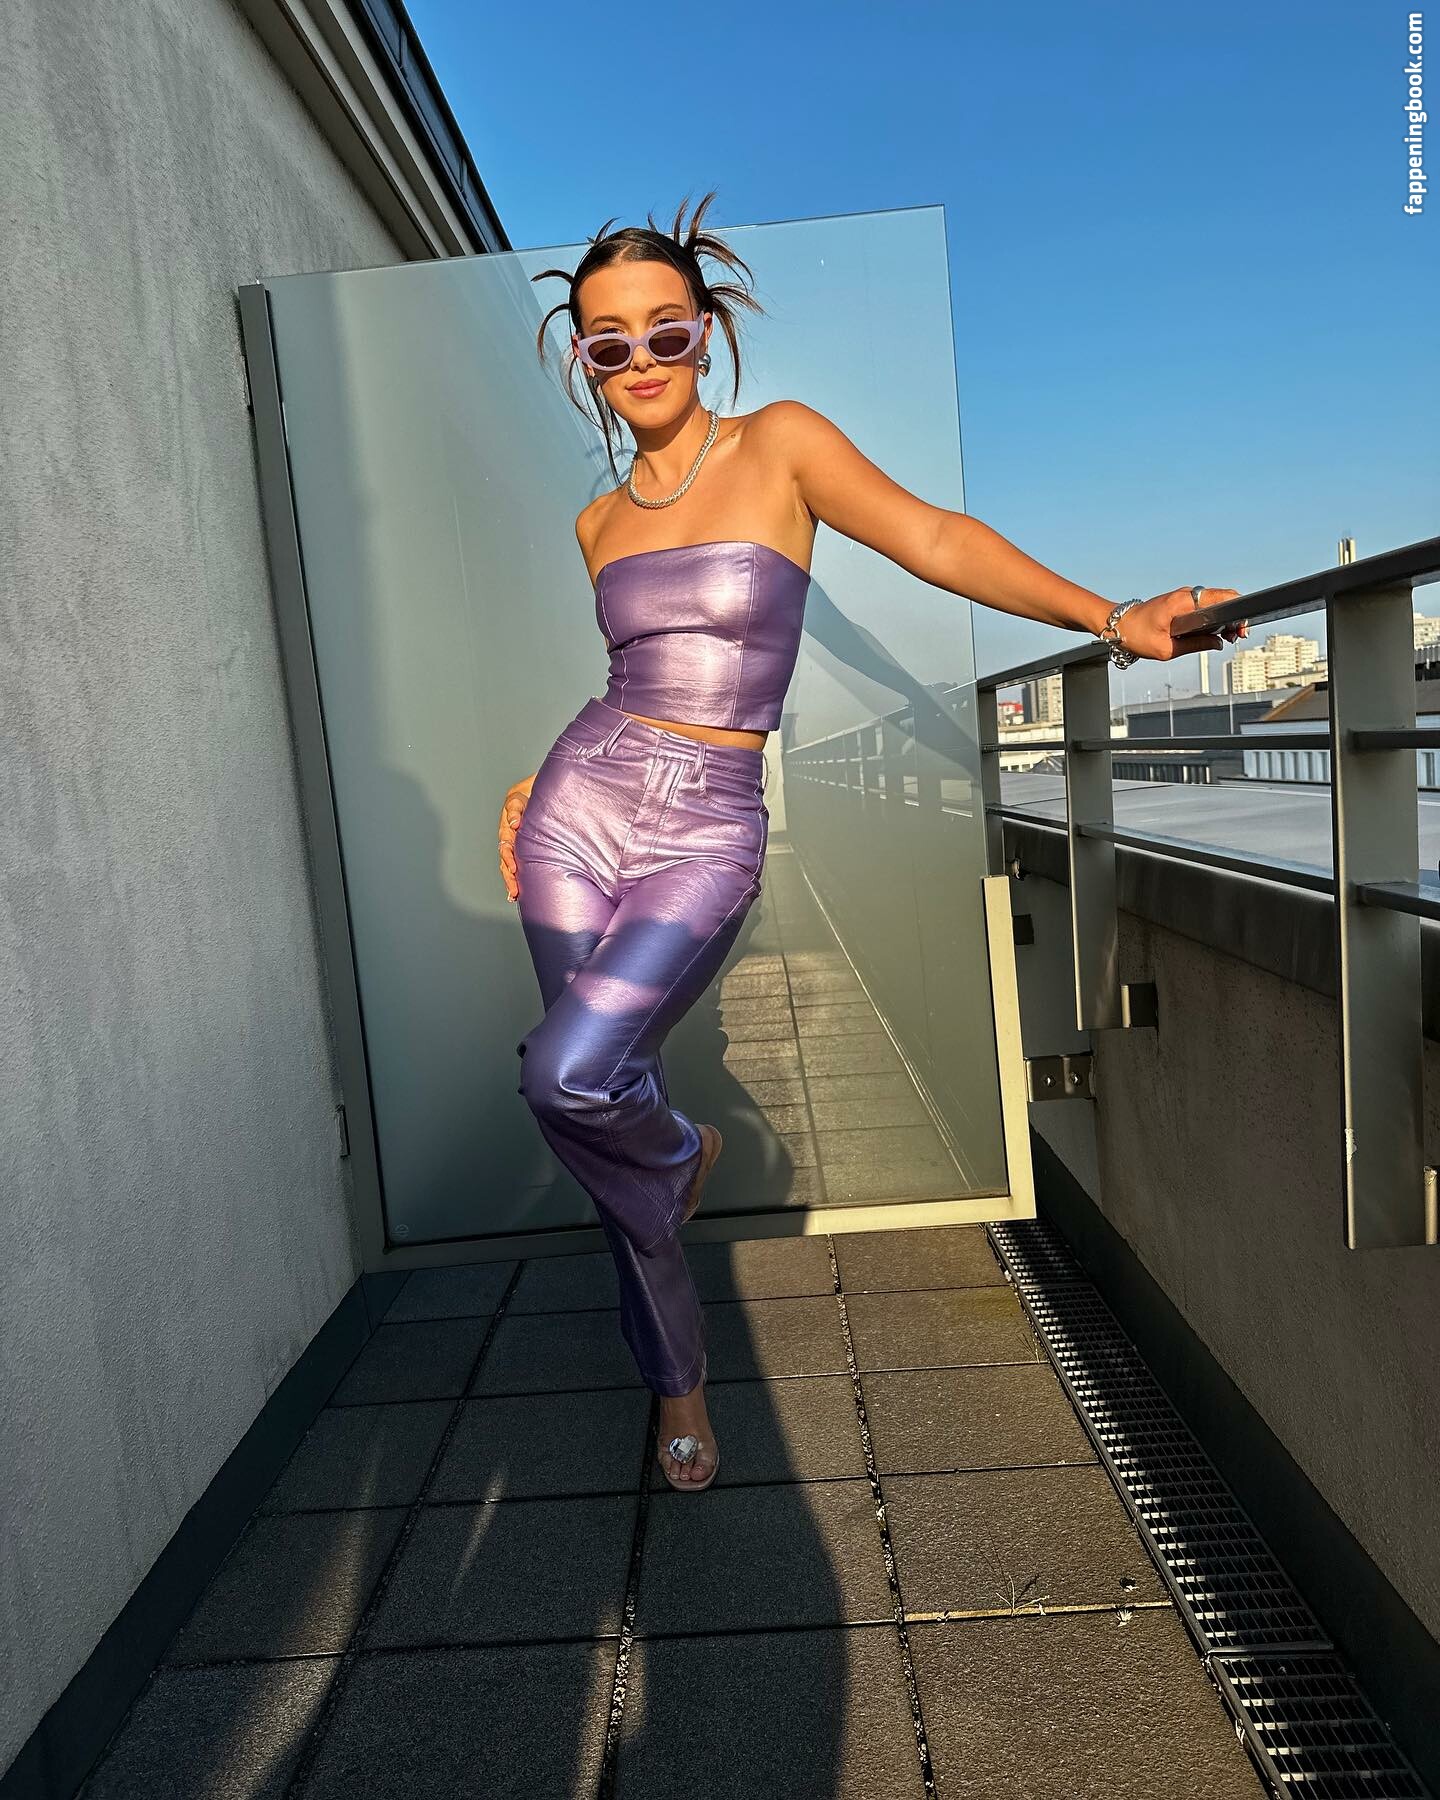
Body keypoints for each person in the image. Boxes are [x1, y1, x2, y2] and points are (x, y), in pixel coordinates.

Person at [497, 190, 1247, 1493]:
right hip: (581, 803)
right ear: (584, 357)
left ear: (707, 329)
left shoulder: (781, 446)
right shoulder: (595, 523)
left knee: (571, 1079)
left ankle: (678, 1156)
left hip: (709, 820)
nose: (642, 361)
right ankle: (677, 1379)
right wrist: (540, 780)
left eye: (667, 331)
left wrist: (1112, 615)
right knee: (596, 1111)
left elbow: (934, 538)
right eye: (610, 343)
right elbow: (636, 679)